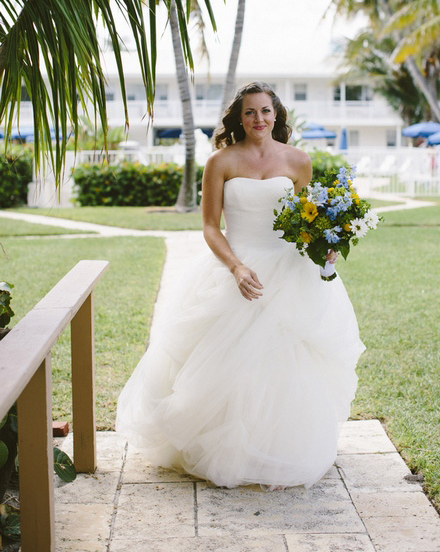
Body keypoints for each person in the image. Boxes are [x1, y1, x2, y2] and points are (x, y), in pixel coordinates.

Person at [116, 81, 365, 490]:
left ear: (277, 115)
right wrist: (236, 267)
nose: (258, 119)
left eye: (266, 111)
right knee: (226, 362)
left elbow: (308, 221)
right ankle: (223, 448)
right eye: (250, 112)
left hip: (289, 272)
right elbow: (211, 228)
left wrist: (326, 246)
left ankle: (282, 448)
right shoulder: (221, 162)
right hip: (235, 267)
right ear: (238, 118)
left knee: (285, 363)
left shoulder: (299, 161)